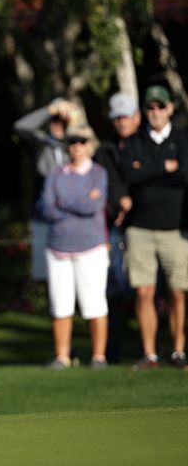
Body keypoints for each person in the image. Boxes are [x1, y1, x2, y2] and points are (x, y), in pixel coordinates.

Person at [120, 85, 188, 370]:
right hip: (140, 229)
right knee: (144, 292)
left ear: (170, 108)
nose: (155, 112)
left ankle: (178, 351)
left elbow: (184, 173)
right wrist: (165, 168)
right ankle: (149, 354)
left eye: (160, 107)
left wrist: (149, 170)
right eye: (150, 107)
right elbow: (130, 173)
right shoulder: (135, 141)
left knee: (177, 291)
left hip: (176, 228)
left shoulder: (183, 140)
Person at [40, 123, 109, 369]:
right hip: (58, 246)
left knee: (94, 303)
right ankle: (62, 356)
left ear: (89, 145)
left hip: (91, 246)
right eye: (73, 142)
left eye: (82, 142)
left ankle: (99, 356)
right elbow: (46, 206)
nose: (77, 147)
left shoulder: (98, 173)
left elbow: (92, 206)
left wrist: (64, 201)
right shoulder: (56, 173)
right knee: (61, 304)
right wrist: (78, 201)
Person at [93, 92, 141, 362]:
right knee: (115, 288)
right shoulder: (104, 151)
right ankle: (112, 348)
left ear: (136, 118)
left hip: (146, 222)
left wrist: (133, 200)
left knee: (149, 289)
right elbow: (100, 188)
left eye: (126, 117)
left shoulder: (146, 144)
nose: (122, 122)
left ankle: (155, 347)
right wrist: (115, 209)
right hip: (113, 227)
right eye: (117, 118)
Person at [14, 98, 80, 282]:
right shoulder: (41, 142)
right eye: (55, 121)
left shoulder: (78, 145)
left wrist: (75, 117)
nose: (59, 125)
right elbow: (21, 127)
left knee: (75, 267)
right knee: (45, 271)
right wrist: (50, 110)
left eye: (63, 122)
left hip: (73, 216)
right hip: (45, 214)